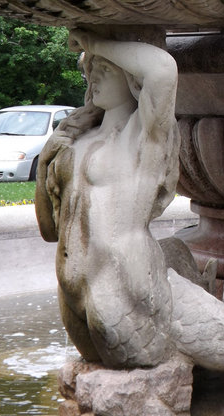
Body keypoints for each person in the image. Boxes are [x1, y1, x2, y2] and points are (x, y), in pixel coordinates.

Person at [35, 30, 180, 368]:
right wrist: (44, 164)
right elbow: (49, 231)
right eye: (92, 69)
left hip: (121, 284)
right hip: (71, 289)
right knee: (98, 378)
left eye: (107, 68)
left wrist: (93, 43)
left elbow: (162, 70)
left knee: (135, 382)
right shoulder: (75, 142)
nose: (93, 76)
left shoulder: (143, 139)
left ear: (131, 79)